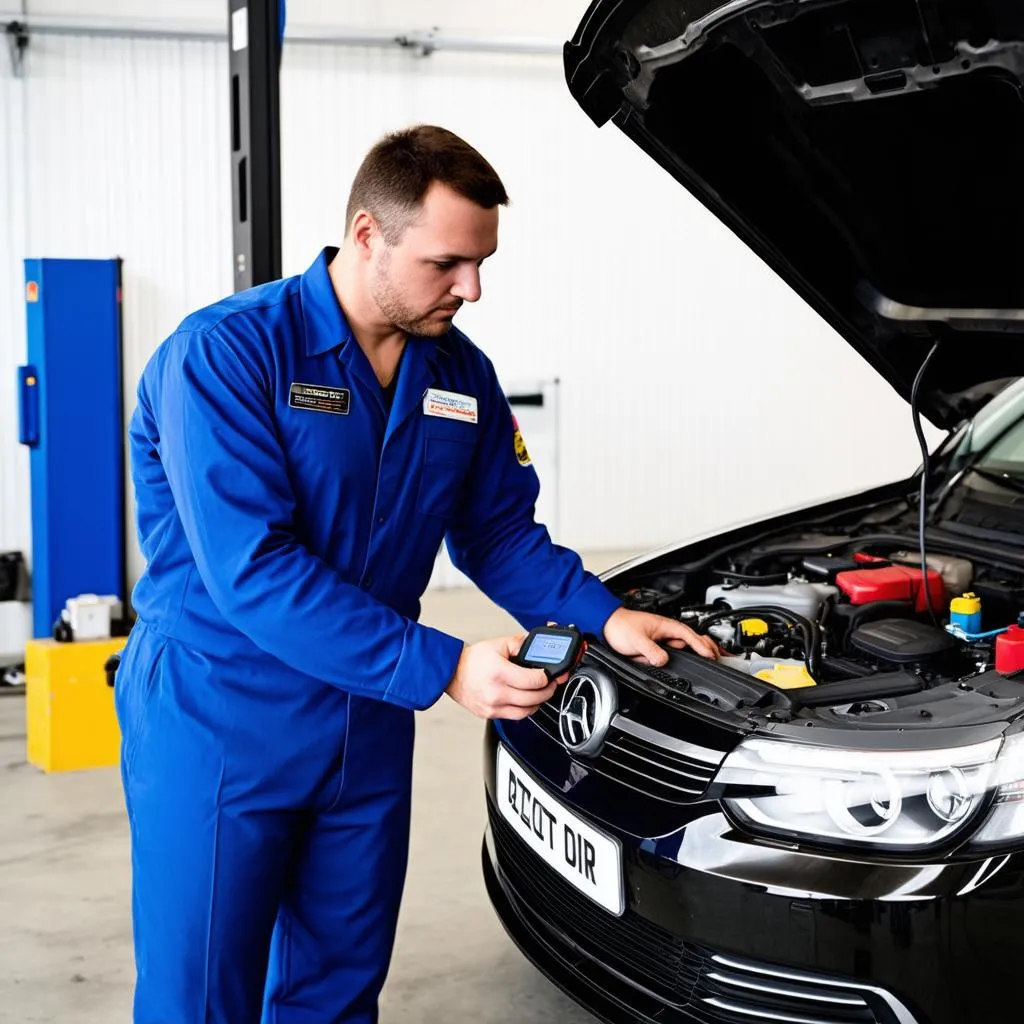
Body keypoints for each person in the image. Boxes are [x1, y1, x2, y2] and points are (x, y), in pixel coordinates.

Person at [115, 124, 719, 1024]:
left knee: (339, 986)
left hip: (365, 722)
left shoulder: (460, 376)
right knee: (201, 995)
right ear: (368, 235)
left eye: (481, 264)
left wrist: (605, 614)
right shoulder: (229, 357)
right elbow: (254, 574)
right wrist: (446, 667)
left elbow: (498, 531)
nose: (470, 288)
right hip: (222, 714)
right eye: (447, 263)